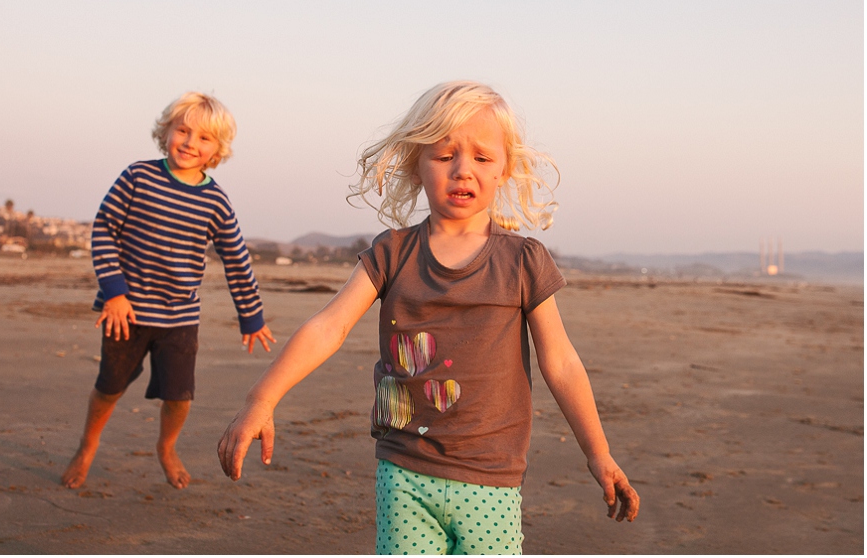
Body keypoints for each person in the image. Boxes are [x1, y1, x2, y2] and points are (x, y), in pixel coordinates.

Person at [218, 81, 639, 555]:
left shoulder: (523, 261)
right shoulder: (392, 253)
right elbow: (329, 326)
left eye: (482, 157)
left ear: (505, 169)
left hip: (491, 478)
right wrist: (262, 398)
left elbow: (560, 362)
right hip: (403, 472)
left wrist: (598, 453)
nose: (463, 170)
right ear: (417, 164)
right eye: (444, 155)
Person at [62, 92, 275, 491]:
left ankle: (167, 446)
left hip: (179, 318)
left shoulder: (215, 201)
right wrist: (114, 292)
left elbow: (237, 259)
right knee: (109, 388)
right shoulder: (137, 177)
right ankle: (87, 446)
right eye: (183, 131)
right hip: (125, 312)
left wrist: (251, 316)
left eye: (205, 138)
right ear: (166, 132)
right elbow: (104, 228)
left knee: (179, 397)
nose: (191, 143)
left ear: (218, 150)